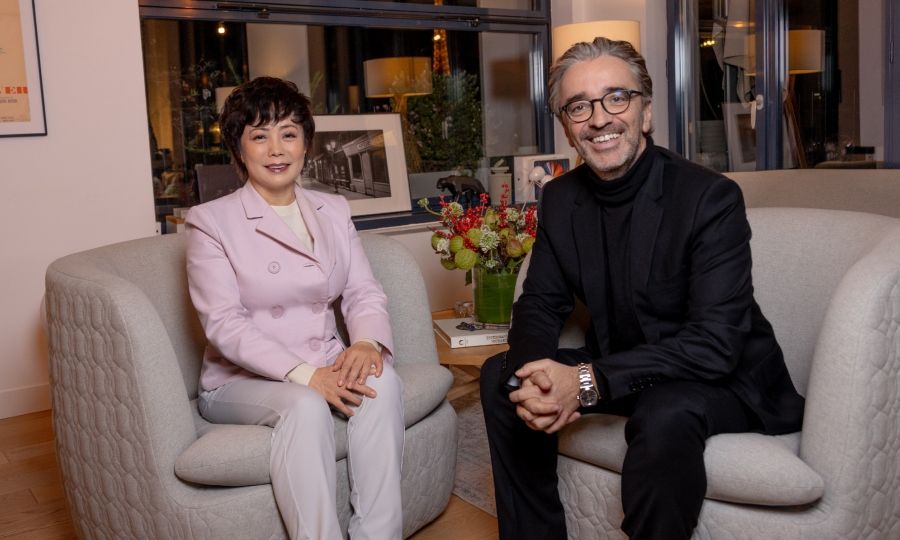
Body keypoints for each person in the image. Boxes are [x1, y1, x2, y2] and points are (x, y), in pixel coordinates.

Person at [480, 37, 805, 540]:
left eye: (616, 98)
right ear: (566, 126)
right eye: (579, 106)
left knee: (665, 413)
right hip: (626, 369)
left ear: (646, 112)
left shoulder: (709, 197)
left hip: (720, 380)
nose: (599, 119)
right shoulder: (561, 199)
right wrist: (534, 379)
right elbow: (540, 303)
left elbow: (715, 345)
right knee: (499, 376)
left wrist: (584, 381)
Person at [185, 77, 404, 540]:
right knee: (304, 406)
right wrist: (308, 376)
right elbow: (224, 325)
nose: (276, 149)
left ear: (305, 143)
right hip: (241, 380)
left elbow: (363, 290)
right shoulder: (210, 222)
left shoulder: (333, 209)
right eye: (259, 136)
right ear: (239, 148)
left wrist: (366, 343)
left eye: (288, 133)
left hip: (325, 356)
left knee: (382, 381)